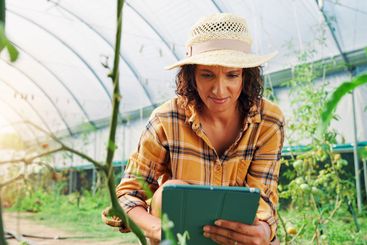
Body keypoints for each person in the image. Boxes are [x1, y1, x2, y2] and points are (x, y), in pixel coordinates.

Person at [114, 13, 284, 244]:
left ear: (246, 76)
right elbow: (128, 195)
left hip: (235, 237)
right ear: (191, 75)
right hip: (179, 238)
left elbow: (263, 200)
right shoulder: (166, 120)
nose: (220, 90)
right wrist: (160, 229)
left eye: (232, 75)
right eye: (207, 75)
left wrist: (263, 231)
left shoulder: (268, 121)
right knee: (170, 191)